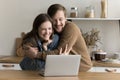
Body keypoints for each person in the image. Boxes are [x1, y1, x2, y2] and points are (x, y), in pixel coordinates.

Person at [22, 4, 92, 72]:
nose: (58, 23)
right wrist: (27, 46)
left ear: (65, 18)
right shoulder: (51, 29)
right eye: (54, 20)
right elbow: (34, 38)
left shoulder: (71, 28)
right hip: (64, 67)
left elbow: (58, 53)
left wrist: (36, 54)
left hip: (82, 69)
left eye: (60, 19)